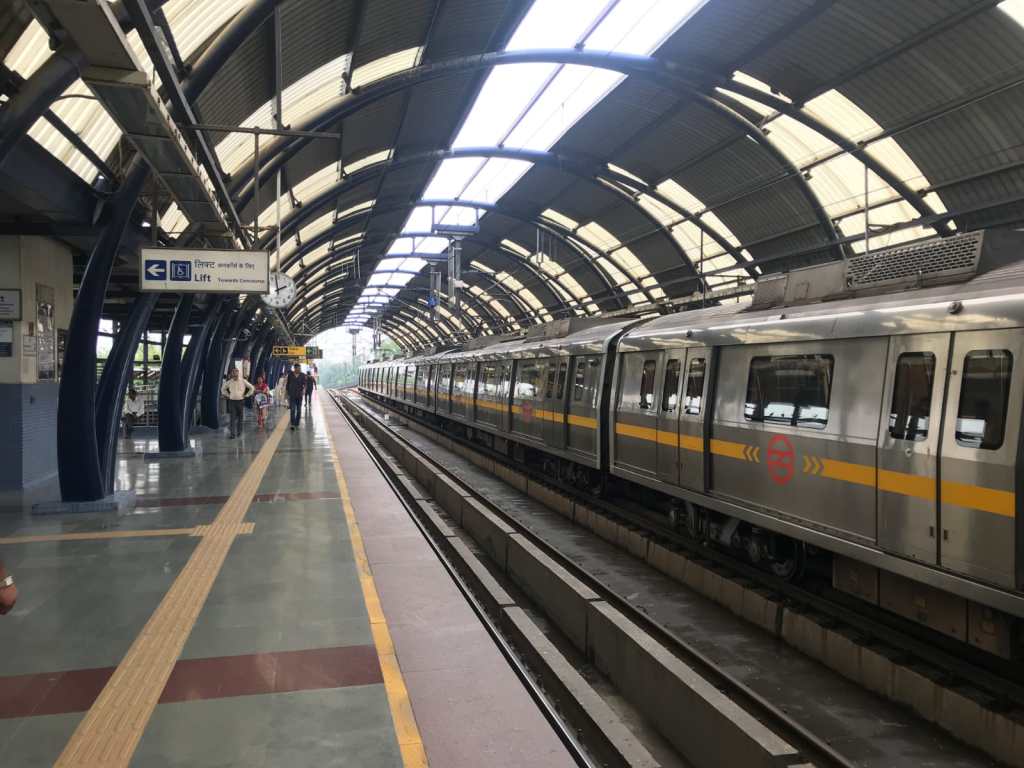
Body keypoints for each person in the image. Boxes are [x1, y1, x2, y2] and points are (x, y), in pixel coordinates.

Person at [221, 367, 255, 439]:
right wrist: (228, 395)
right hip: (232, 402)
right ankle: (232, 434)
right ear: (232, 374)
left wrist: (247, 395)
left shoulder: (243, 381)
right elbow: (223, 389)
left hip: (240, 401)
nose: (234, 374)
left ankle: (239, 433)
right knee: (232, 418)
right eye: (233, 372)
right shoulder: (229, 382)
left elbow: (252, 388)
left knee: (240, 418)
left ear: (238, 373)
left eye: (235, 372)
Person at [285, 363, 307, 430]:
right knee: (292, 409)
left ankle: (297, 423)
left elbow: (305, 384)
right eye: (298, 368)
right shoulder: (290, 375)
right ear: (295, 368)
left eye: (300, 368)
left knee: (299, 410)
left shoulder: (303, 375)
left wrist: (304, 390)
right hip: (292, 395)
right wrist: (286, 393)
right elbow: (288, 384)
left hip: (299, 395)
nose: (299, 370)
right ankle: (292, 424)